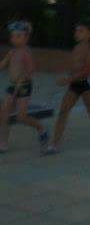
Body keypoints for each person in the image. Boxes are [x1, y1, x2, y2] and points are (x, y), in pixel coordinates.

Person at [45, 21, 90, 154]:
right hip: (75, 83)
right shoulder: (77, 48)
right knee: (63, 111)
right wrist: (73, 75)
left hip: (86, 83)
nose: (77, 33)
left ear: (89, 33)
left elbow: (86, 71)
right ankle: (54, 144)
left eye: (81, 31)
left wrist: (67, 80)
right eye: (76, 31)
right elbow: (80, 64)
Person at [0, 21, 49, 152]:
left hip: (24, 86)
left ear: (26, 38)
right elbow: (3, 64)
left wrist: (22, 81)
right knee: (4, 112)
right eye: (13, 36)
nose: (14, 39)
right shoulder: (12, 52)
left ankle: (41, 128)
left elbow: (31, 70)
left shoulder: (26, 52)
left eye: (18, 36)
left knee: (21, 117)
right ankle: (3, 143)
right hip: (12, 85)